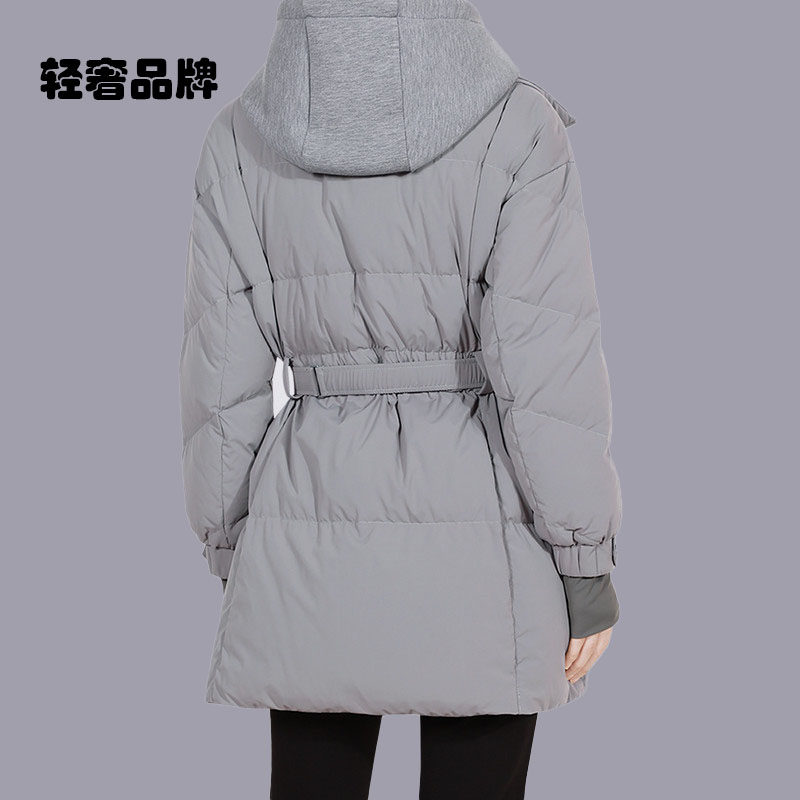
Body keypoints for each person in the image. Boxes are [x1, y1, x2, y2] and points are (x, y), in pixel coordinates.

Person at [179, 1, 622, 797]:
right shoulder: (517, 127)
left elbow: (218, 382)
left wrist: (235, 548)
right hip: (488, 533)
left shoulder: (239, 139)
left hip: (308, 521)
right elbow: (548, 370)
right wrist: (584, 561)